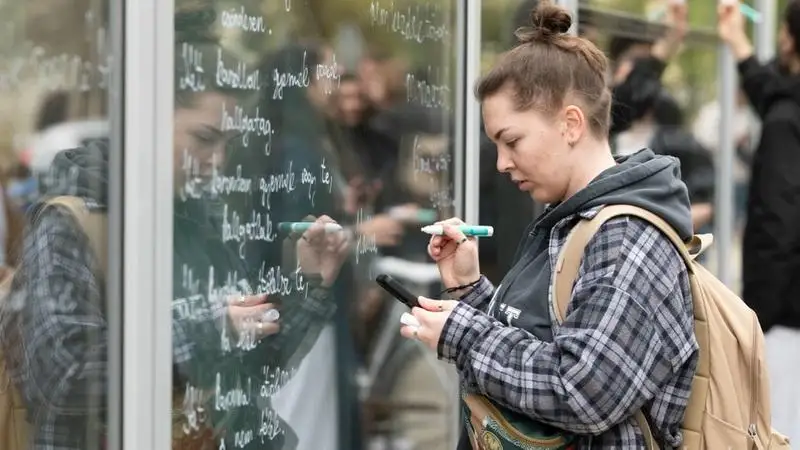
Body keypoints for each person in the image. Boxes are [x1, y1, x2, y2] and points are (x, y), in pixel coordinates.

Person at [400, 2, 698, 448]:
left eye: (512, 140)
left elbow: (581, 391)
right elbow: (540, 345)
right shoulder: (570, 217)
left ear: (571, 123)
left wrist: (462, 334)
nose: (501, 163)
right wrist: (469, 290)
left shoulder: (628, 237)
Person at [718, 0, 800, 441]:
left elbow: (777, 225)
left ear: (788, 39)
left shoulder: (786, 122)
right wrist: (739, 45)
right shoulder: (786, 108)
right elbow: (777, 92)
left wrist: (757, 320)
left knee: (780, 429)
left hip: (789, 319)